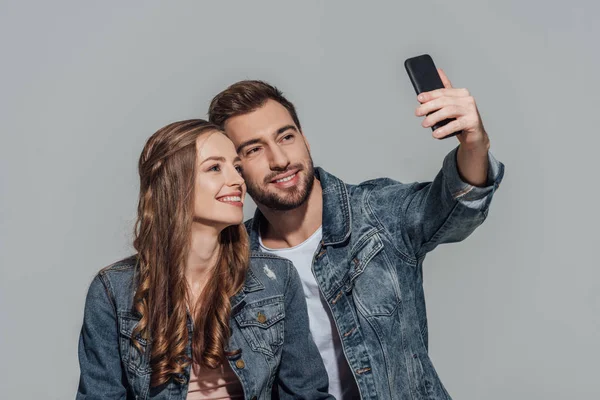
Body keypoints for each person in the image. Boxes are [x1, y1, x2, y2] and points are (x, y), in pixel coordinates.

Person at [208, 73, 505, 400]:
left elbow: (457, 207)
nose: (280, 160)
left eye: (286, 137)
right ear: (235, 168)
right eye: (254, 150)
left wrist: (475, 143)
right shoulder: (232, 266)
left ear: (305, 140)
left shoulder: (378, 213)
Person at [77, 119, 334, 400]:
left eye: (237, 167)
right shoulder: (114, 291)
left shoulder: (276, 278)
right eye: (215, 168)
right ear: (175, 183)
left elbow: (307, 394)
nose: (237, 180)